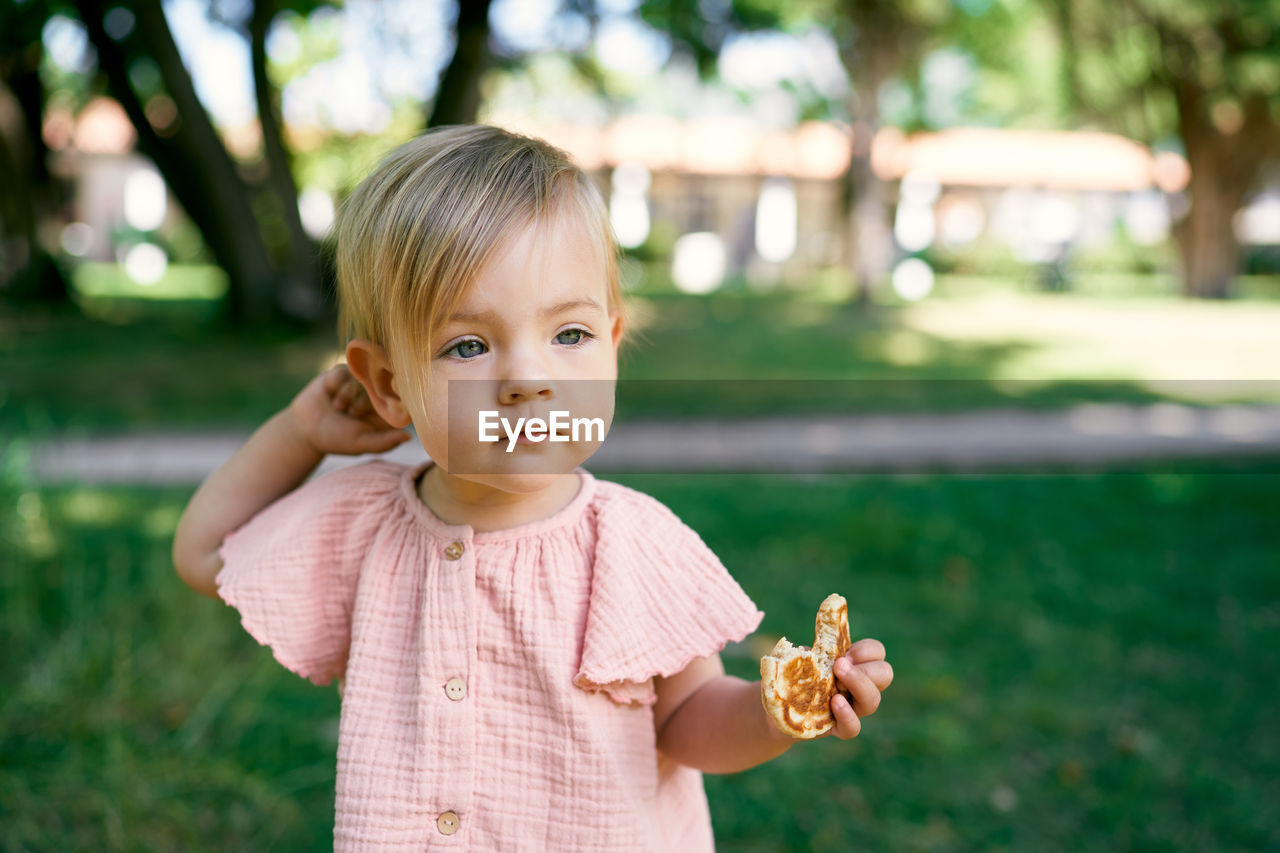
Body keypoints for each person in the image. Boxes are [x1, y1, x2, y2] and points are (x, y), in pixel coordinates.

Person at [172, 124, 893, 851]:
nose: (527, 380)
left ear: (612, 346)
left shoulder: (632, 543)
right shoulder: (361, 522)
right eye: (468, 345)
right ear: (389, 385)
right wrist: (300, 432)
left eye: (569, 335)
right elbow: (204, 553)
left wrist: (778, 711)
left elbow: (690, 718)